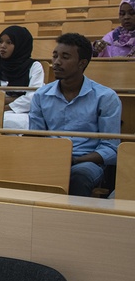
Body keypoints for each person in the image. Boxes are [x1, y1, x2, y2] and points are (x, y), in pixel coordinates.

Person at [30, 33, 122, 197]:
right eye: (55, 56)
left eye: (65, 57)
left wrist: (75, 160)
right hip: (50, 160)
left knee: (78, 175)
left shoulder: (106, 97)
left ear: (82, 63)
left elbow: (111, 148)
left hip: (87, 162)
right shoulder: (40, 95)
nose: (57, 62)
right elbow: (36, 139)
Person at [0, 26, 45, 129]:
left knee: (10, 122)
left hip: (20, 113)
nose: (2, 46)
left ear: (21, 44)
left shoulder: (34, 67)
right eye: (0, 42)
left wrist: (6, 106)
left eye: (9, 42)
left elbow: (33, 97)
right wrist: (12, 98)